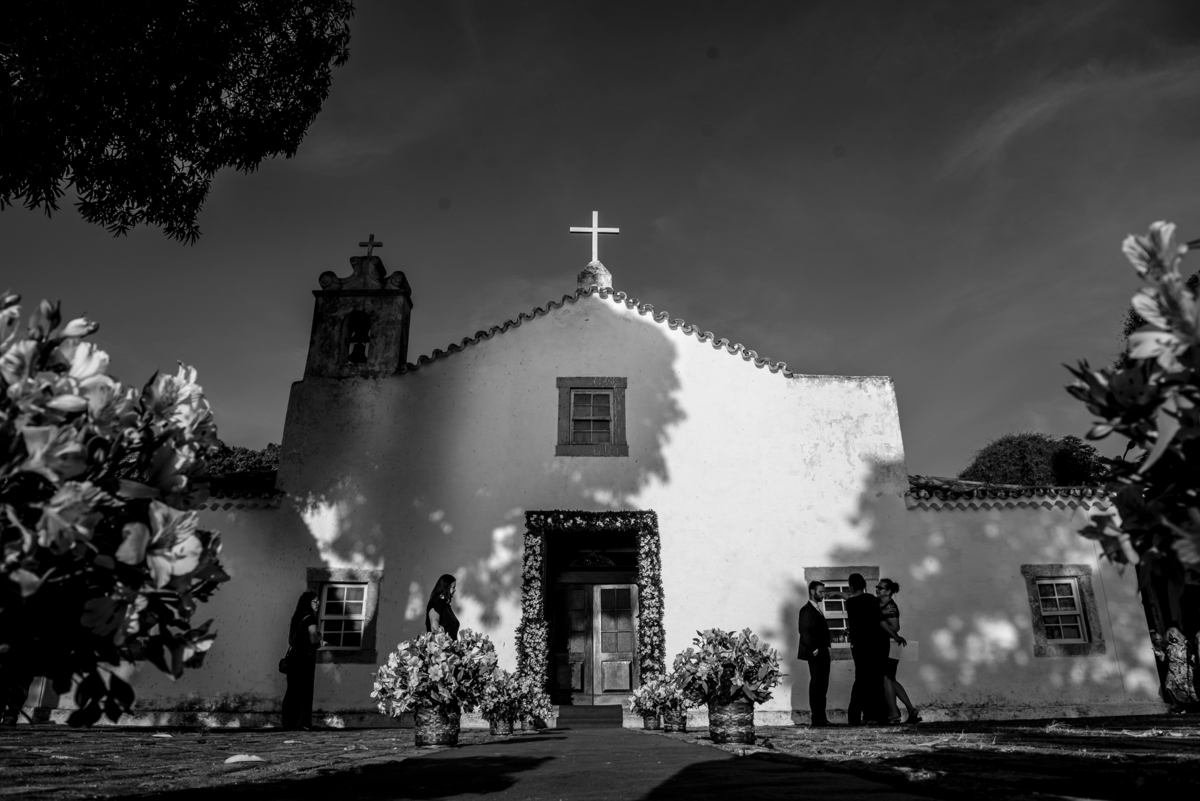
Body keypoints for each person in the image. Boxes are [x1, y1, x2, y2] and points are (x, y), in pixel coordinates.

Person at [845, 573, 905, 725]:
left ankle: (856, 716)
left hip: (858, 647)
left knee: (861, 681)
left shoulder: (851, 603)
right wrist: (895, 636)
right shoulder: (871, 600)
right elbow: (879, 621)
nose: (878, 590)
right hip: (874, 646)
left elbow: (851, 599)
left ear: (851, 586)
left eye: (880, 588)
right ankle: (877, 715)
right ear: (865, 586)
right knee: (876, 681)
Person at [877, 578, 920, 724]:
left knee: (887, 678)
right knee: (890, 679)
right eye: (877, 587)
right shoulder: (880, 604)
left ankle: (895, 714)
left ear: (888, 591)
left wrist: (880, 626)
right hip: (885, 645)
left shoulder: (891, 606)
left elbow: (896, 628)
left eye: (880, 588)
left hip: (890, 645)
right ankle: (909, 710)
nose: (877, 589)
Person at [281, 590, 323, 731]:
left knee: (292, 690)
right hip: (305, 658)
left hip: (293, 657)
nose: (318, 604)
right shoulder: (310, 618)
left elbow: (290, 640)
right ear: (308, 603)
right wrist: (320, 637)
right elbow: (313, 638)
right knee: (304, 691)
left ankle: (288, 721)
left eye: (318, 602)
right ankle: (302, 723)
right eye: (315, 601)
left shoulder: (296, 617)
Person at [797, 580, 833, 727]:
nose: (823, 594)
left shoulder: (817, 608)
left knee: (823, 685)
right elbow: (804, 631)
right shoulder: (806, 610)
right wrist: (814, 649)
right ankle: (817, 718)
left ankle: (822, 717)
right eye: (821, 592)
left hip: (823, 650)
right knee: (817, 684)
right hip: (816, 653)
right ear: (812, 591)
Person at [426, 574, 460, 640]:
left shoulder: (445, 605)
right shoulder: (436, 601)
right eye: (453, 587)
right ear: (446, 587)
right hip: (442, 649)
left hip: (451, 648)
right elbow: (434, 621)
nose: (455, 590)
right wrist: (438, 645)